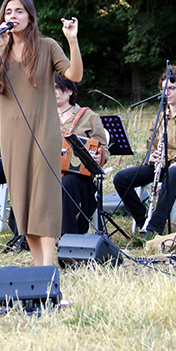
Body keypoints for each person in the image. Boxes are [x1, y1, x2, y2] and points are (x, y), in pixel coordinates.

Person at [0, 0, 82, 267]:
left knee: (45, 198)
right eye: (9, 12)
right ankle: (40, 267)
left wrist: (72, 40)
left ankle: (49, 265)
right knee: (23, 200)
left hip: (44, 131)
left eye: (19, 11)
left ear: (30, 16)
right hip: (11, 134)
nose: (13, 16)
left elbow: (74, 75)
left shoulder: (47, 46)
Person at [113, 67, 176, 238]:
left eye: (171, 88)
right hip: (162, 165)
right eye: (164, 89)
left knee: (173, 172)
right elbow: (151, 146)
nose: (167, 93)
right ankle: (143, 218)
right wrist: (151, 156)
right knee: (121, 179)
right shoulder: (158, 117)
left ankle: (155, 229)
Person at [57, 74, 108, 235]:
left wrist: (98, 155)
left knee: (69, 183)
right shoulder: (45, 116)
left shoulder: (89, 117)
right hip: (51, 171)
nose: (54, 92)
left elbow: (103, 150)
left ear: (70, 91)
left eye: (58, 87)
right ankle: (26, 236)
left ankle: (69, 236)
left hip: (80, 177)